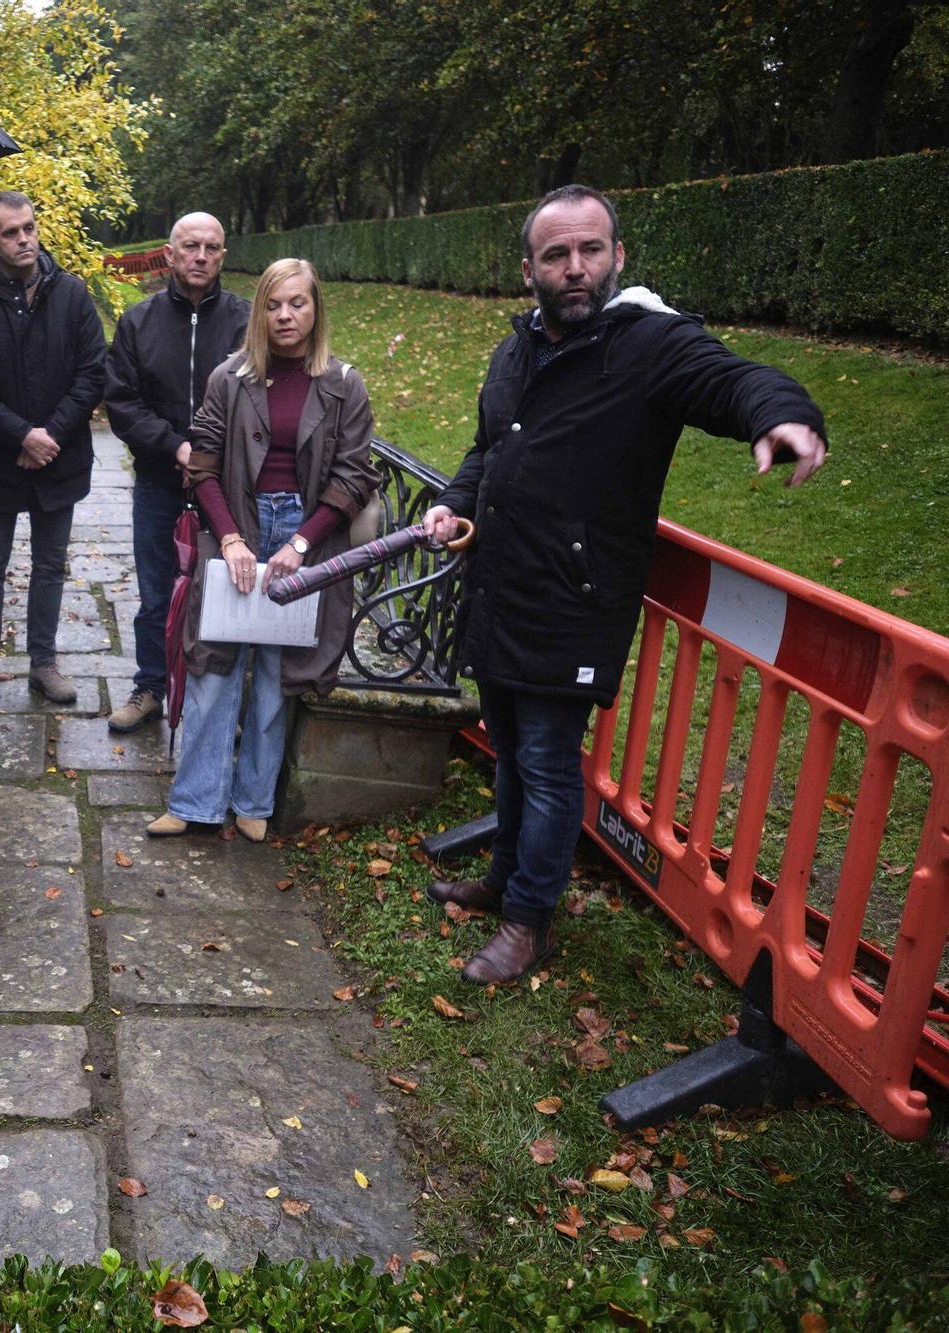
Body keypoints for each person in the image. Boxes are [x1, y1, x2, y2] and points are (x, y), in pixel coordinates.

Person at [421, 184, 828, 985]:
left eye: (591, 251)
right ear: (529, 268)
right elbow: (487, 449)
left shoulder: (652, 344)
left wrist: (781, 414)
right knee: (508, 753)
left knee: (544, 764)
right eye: (557, 255)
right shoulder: (518, 347)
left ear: (617, 257)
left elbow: (730, 380)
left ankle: (529, 921)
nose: (576, 269)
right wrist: (452, 503)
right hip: (502, 591)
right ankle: (503, 879)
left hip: (571, 603)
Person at [147, 258, 379, 844]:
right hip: (237, 528)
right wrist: (228, 538)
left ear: (315, 309)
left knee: (277, 675)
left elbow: (354, 478)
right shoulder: (231, 378)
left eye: (297, 303)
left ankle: (252, 802)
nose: (284, 315)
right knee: (213, 666)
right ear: (259, 312)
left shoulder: (343, 384)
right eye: (273, 304)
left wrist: (302, 542)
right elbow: (201, 466)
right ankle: (195, 801)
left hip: (305, 535)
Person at [0, 191, 107, 713]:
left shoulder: (72, 294)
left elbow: (92, 372)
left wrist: (48, 436)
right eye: (11, 232)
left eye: (29, 228)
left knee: (50, 564)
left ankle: (43, 663)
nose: (24, 239)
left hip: (59, 457)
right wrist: (20, 436)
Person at [103, 212, 250, 732]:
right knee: (155, 592)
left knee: (223, 590)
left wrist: (212, 455)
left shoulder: (245, 322)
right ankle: (150, 686)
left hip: (228, 489)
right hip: (160, 482)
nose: (201, 256)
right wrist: (175, 448)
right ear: (170, 254)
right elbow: (121, 402)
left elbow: (261, 400)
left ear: (223, 256)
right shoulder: (139, 322)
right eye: (191, 246)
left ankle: (217, 698)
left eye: (212, 247)